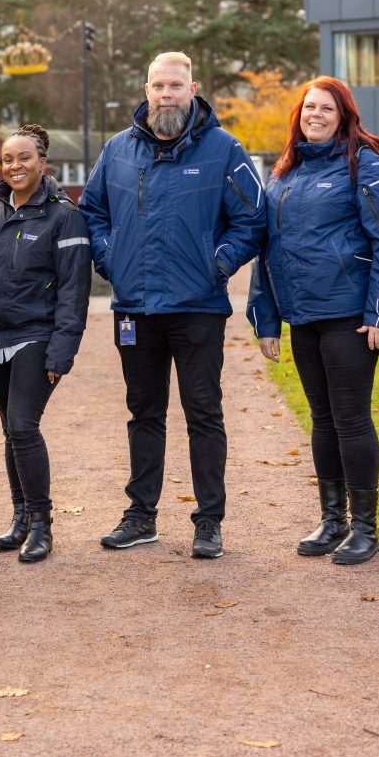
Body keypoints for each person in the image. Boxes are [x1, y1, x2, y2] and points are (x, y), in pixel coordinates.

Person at [79, 51, 267, 559]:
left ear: (193, 89)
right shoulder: (118, 151)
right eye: (158, 85)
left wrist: (218, 264)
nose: (166, 94)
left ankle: (209, 521)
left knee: (203, 412)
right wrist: (109, 258)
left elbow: (253, 217)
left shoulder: (225, 150)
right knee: (144, 412)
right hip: (134, 306)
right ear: (146, 90)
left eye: (176, 86)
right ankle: (141, 515)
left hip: (198, 306)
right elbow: (91, 210)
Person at [247, 76, 379, 565]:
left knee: (351, 419)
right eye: (309, 108)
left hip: (350, 319)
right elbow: (266, 250)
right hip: (303, 317)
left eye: (326, 109)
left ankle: (365, 528)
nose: (315, 115)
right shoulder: (283, 174)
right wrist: (266, 318)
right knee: (322, 419)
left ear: (343, 117)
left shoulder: (365, 164)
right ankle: (332, 519)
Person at [0, 124, 91, 563]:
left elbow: (74, 291)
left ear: (43, 164)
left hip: (37, 338)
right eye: (7, 159)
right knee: (10, 430)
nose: (15, 165)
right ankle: (20, 517)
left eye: (24, 157)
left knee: (23, 425)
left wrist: (63, 349)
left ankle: (42, 525)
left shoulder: (64, 216)